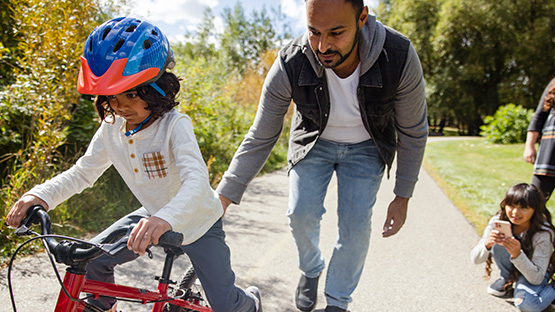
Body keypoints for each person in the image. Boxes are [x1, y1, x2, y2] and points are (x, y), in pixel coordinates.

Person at [5, 17, 262, 312]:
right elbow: (83, 172)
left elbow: (196, 181)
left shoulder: (174, 125)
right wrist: (40, 195)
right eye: (112, 96)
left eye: (130, 93)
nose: (120, 105)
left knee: (226, 305)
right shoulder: (112, 129)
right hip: (151, 215)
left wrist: (166, 218)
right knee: (92, 260)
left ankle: (251, 302)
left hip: (199, 221)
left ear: (158, 89)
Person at [216, 0, 428, 311]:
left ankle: (338, 302)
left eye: (336, 33)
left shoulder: (398, 55)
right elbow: (261, 134)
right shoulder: (292, 60)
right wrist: (223, 196)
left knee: (355, 227)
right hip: (313, 143)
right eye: (314, 31)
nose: (323, 45)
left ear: (362, 18)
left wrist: (402, 195)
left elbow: (413, 131)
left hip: (367, 147)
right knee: (300, 214)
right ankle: (311, 268)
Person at [470, 183, 555, 312]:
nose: (515, 213)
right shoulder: (498, 221)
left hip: (535, 273)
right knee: (500, 242)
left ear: (535, 210)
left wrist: (517, 254)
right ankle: (507, 279)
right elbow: (475, 259)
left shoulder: (543, 233)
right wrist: (487, 244)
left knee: (528, 306)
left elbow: (536, 278)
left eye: (524, 208)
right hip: (516, 269)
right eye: (511, 206)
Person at [524, 77, 555, 201]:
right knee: (534, 202)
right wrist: (529, 145)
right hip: (550, 150)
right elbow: (539, 116)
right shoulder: (553, 83)